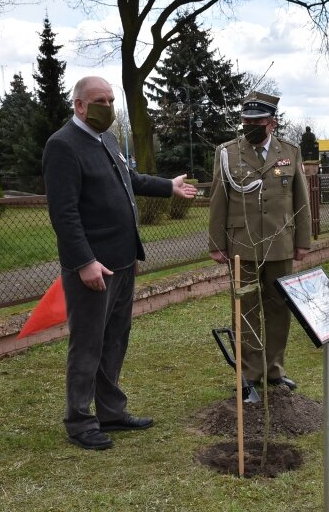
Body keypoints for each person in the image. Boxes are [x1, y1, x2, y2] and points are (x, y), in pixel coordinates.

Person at [43, 76, 197, 450]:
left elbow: (128, 179)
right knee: (88, 344)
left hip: (124, 261)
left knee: (114, 340)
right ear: (79, 105)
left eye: (112, 99)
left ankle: (111, 411)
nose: (108, 106)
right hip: (93, 269)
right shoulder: (63, 145)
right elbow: (63, 214)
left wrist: (168, 186)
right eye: (100, 100)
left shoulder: (106, 139)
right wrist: (84, 262)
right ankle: (80, 421)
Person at [208, 91, 312, 393]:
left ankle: (274, 370)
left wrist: (302, 241)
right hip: (242, 245)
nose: (250, 125)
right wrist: (217, 242)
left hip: (280, 243)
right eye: (246, 121)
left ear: (272, 123)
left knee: (280, 307)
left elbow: (301, 200)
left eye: (258, 121)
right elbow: (219, 199)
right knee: (245, 308)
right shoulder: (228, 152)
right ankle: (250, 374)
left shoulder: (290, 152)